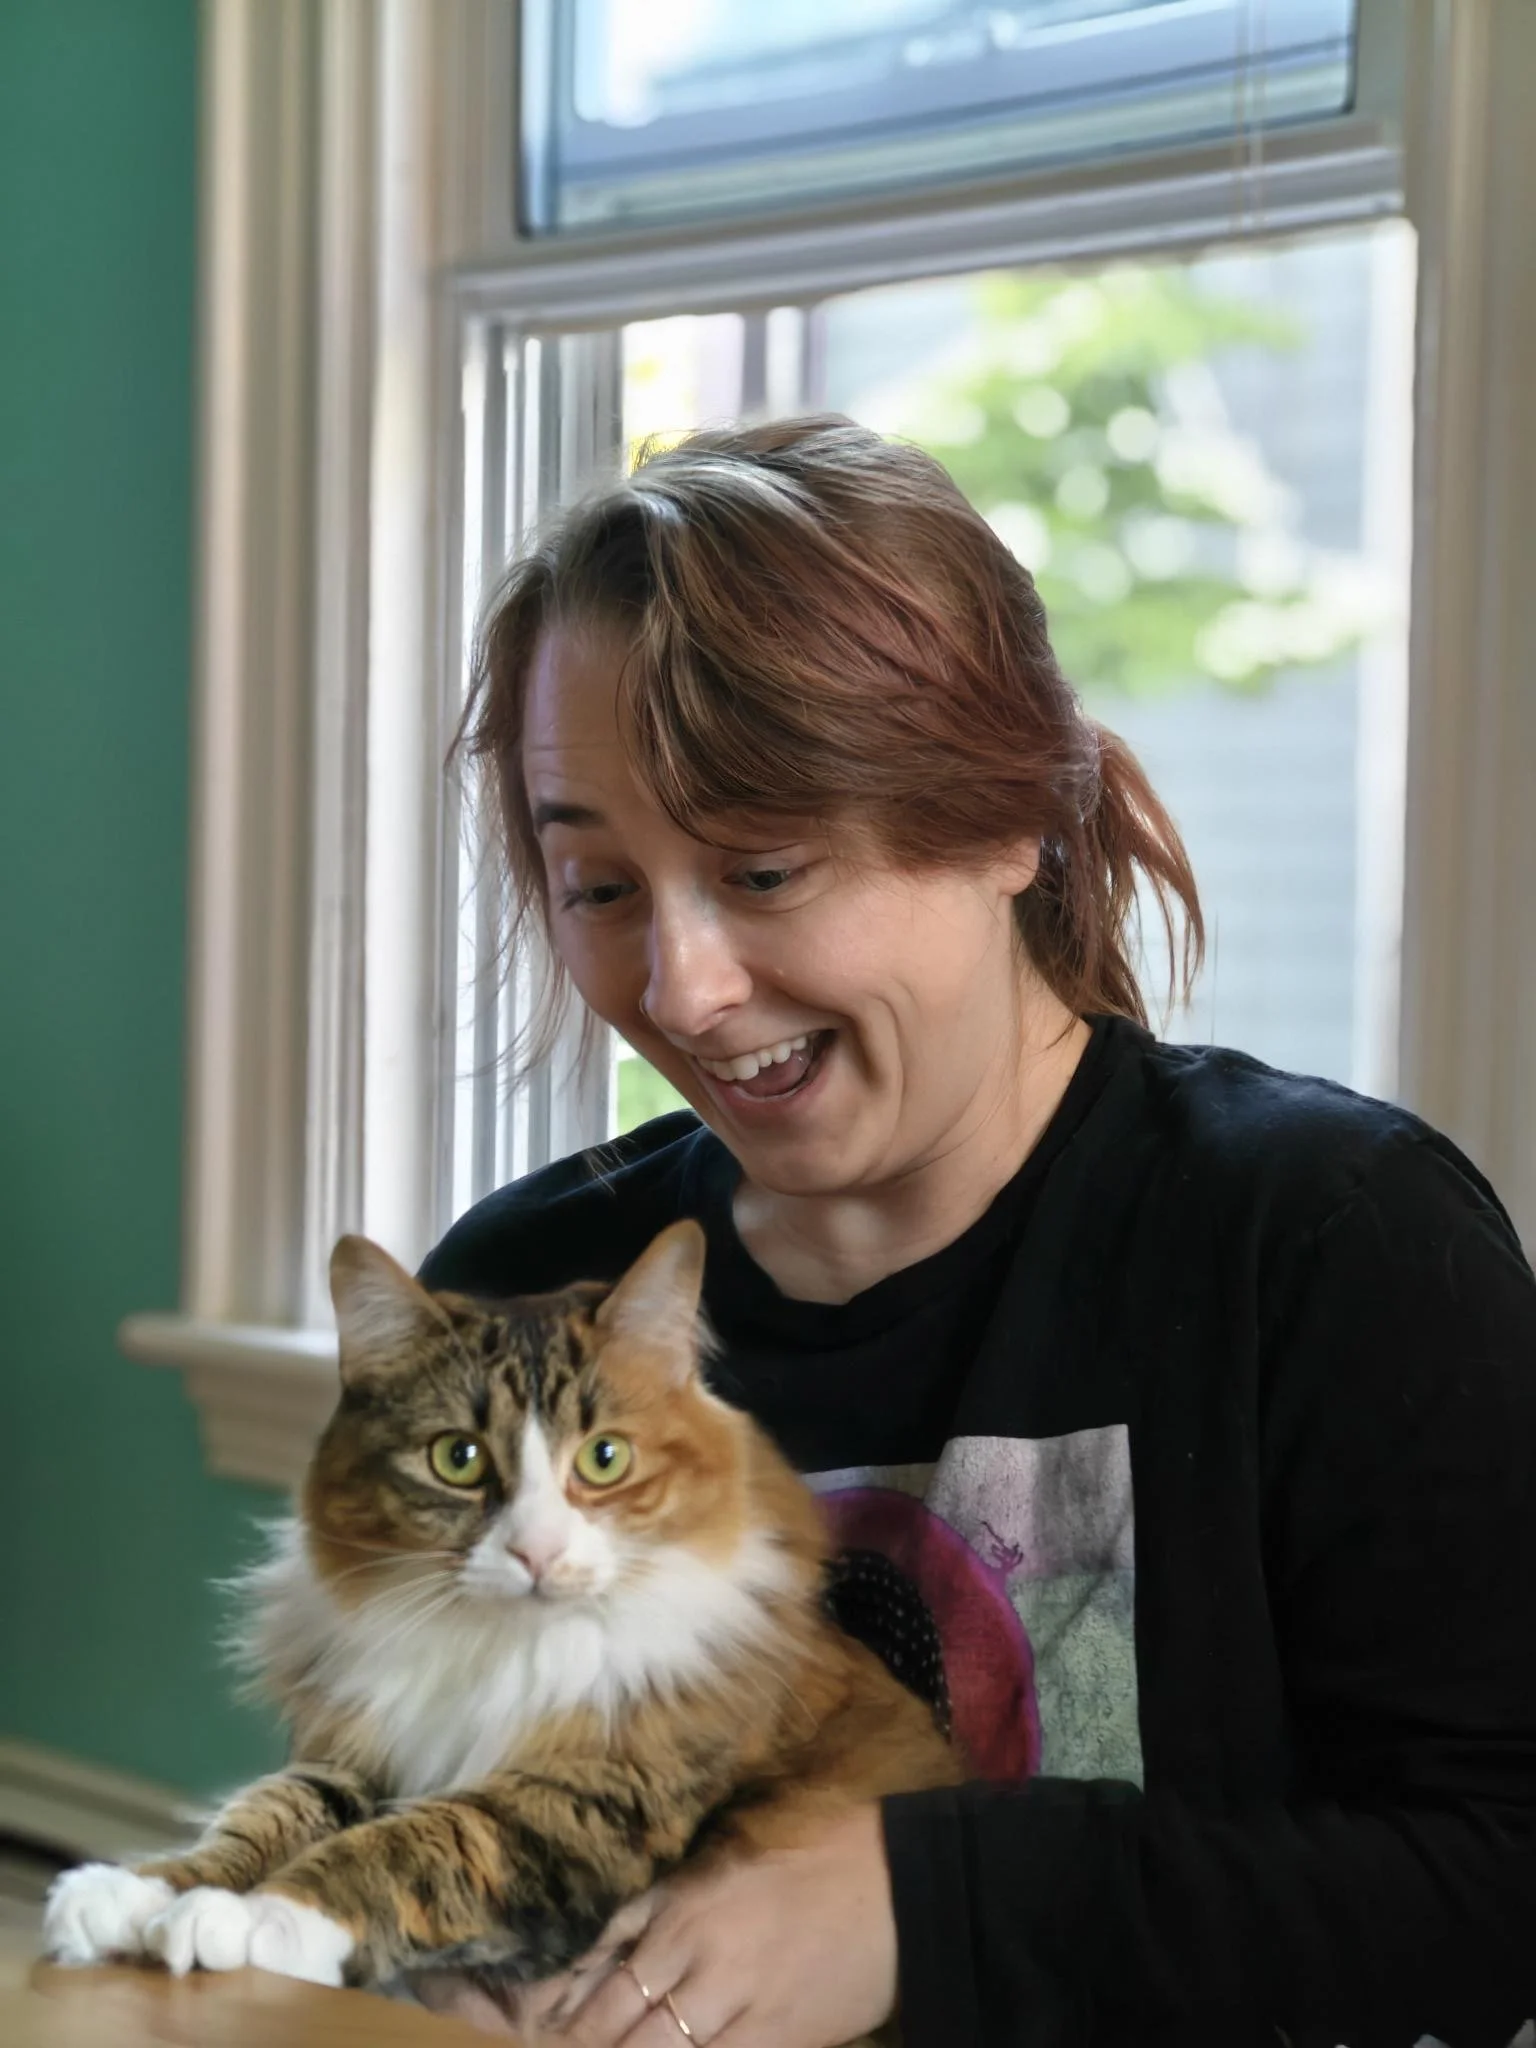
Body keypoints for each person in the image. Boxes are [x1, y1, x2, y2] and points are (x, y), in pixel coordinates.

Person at [415, 416, 1536, 2048]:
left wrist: (918, 1906)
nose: (680, 988)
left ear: (1012, 822)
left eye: (766, 867)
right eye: (600, 889)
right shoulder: (519, 1299)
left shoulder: (1333, 1249)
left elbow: (1496, 1884)